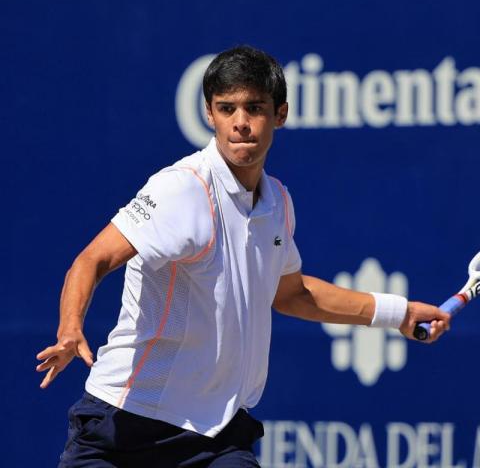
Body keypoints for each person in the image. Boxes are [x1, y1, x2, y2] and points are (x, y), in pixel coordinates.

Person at [37, 46, 450, 468]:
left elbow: (293, 293)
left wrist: (396, 312)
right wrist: (70, 327)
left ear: (280, 114)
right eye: (226, 108)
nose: (240, 123)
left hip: (216, 437)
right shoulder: (182, 189)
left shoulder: (278, 203)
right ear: (210, 114)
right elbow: (92, 259)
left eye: (254, 108)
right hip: (123, 426)